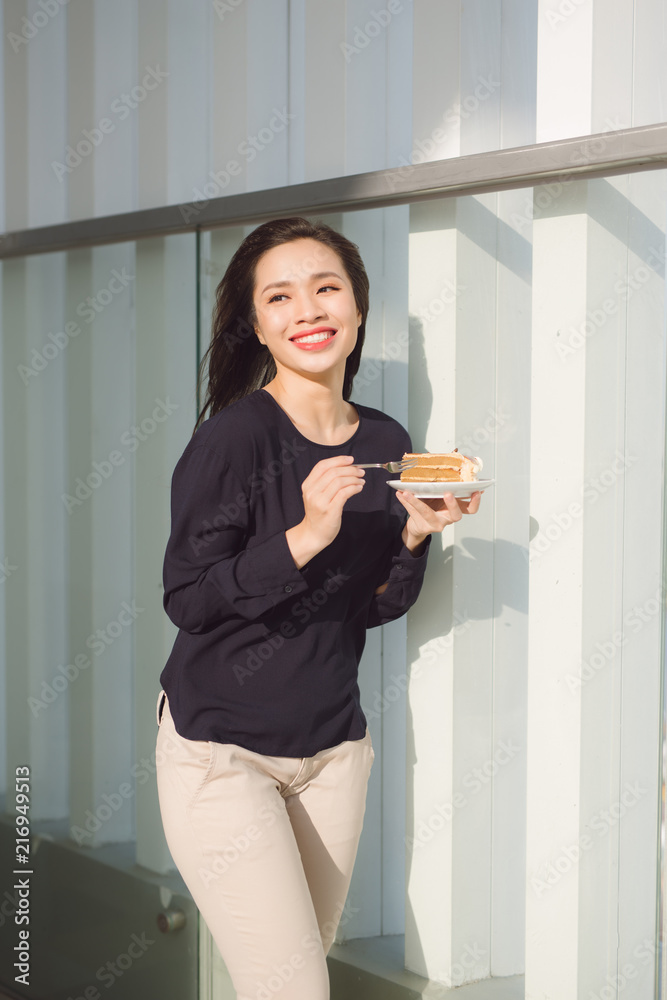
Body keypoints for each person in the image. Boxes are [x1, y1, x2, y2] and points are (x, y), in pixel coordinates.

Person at [154, 216, 482, 1000]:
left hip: (334, 753)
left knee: (289, 977)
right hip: (221, 753)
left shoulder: (385, 438)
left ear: (358, 309)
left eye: (326, 287)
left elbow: (370, 610)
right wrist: (303, 536)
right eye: (280, 296)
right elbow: (187, 599)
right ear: (258, 326)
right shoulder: (232, 440)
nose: (308, 309)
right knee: (292, 990)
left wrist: (413, 534)